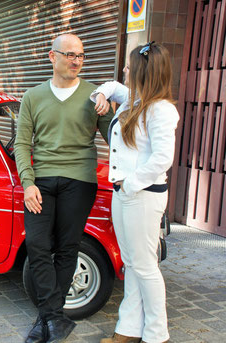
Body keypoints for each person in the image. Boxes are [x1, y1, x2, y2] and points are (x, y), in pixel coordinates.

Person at [15, 33, 114, 343]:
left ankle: (47, 320)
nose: (76, 61)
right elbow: (21, 143)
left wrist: (113, 101)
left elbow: (117, 137)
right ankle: (54, 318)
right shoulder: (32, 96)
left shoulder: (93, 97)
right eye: (70, 54)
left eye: (81, 55)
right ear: (52, 57)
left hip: (79, 180)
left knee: (67, 248)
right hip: (41, 181)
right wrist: (27, 183)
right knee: (37, 244)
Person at [91, 42, 179, 343]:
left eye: (129, 66)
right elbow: (110, 86)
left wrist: (130, 183)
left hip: (142, 194)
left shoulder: (161, 110)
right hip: (125, 194)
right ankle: (128, 329)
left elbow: (162, 158)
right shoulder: (133, 99)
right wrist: (102, 94)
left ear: (142, 71)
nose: (124, 70)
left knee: (145, 266)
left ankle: (157, 335)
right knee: (131, 264)